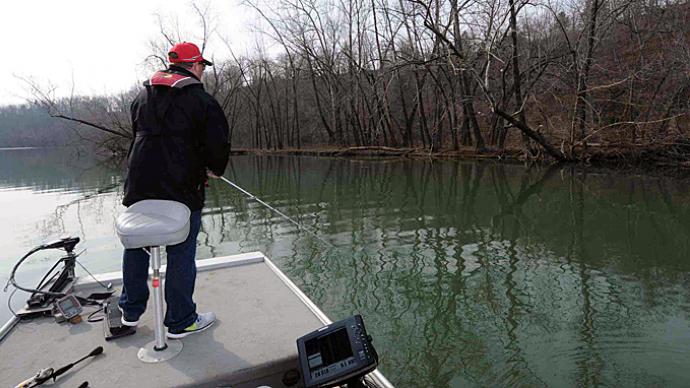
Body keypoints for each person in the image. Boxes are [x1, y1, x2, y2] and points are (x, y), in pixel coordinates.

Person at [119, 42, 230, 338]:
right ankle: (181, 320)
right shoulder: (201, 100)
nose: (203, 71)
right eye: (202, 66)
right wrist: (215, 169)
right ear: (194, 66)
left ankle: (130, 311)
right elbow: (218, 144)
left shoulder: (141, 97)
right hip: (181, 188)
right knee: (181, 251)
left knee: (137, 242)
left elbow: (138, 136)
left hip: (139, 183)